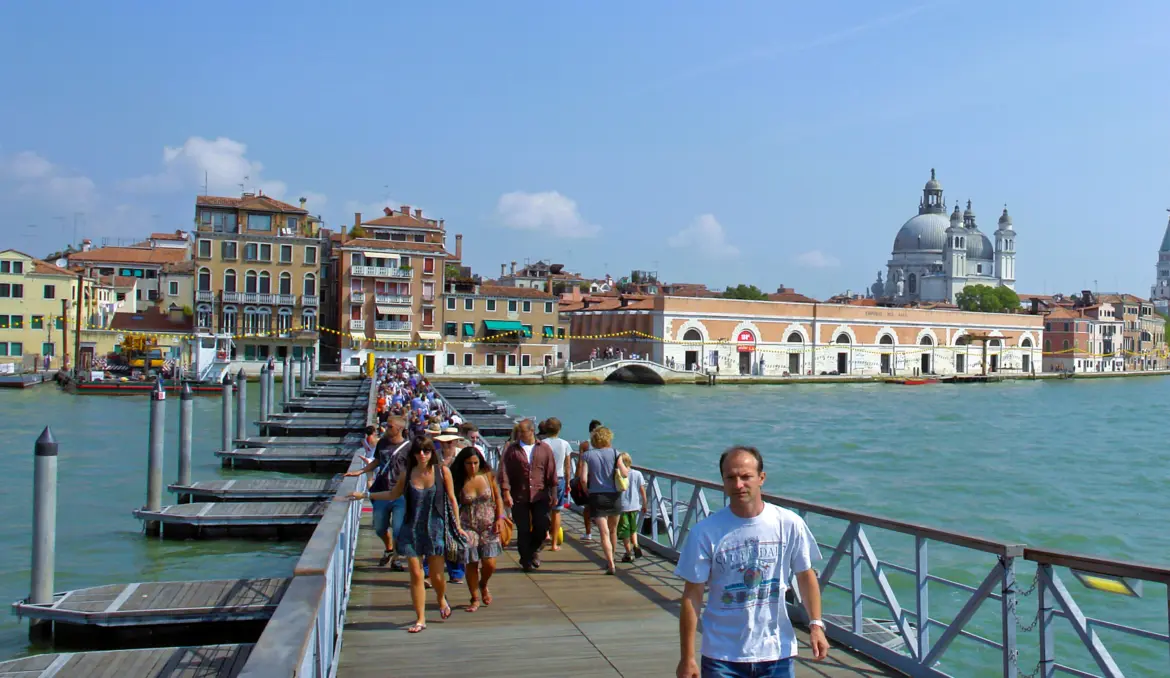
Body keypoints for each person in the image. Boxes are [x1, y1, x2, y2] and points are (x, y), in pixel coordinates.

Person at [674, 446, 828, 678]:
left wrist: (816, 625)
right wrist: (687, 658)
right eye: (731, 477)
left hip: (777, 652)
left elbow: (805, 576)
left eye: (746, 477)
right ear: (723, 481)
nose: (738, 485)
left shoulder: (788, 523)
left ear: (761, 478)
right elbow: (692, 595)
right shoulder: (704, 532)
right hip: (722, 656)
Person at [350, 437, 467, 634]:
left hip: (435, 527)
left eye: (426, 451)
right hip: (411, 528)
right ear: (413, 454)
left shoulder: (442, 471)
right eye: (419, 451)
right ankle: (420, 618)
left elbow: (453, 500)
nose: (422, 454)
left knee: (437, 576)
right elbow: (392, 495)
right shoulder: (407, 474)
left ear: (432, 453)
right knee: (415, 573)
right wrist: (365, 495)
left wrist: (458, 525)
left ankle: (440, 598)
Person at [345, 416, 411, 568]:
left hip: (400, 493)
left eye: (389, 427)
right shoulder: (382, 443)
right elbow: (377, 461)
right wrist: (360, 472)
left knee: (398, 528)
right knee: (380, 528)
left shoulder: (408, 447)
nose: (385, 429)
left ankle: (396, 558)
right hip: (382, 490)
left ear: (399, 429)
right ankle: (389, 548)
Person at [497, 419, 557, 572]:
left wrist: (554, 493)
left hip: (540, 494)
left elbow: (551, 472)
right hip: (519, 494)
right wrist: (506, 493)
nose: (519, 435)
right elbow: (504, 471)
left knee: (542, 526)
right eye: (518, 432)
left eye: (522, 432)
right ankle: (526, 559)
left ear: (531, 431)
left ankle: (533, 550)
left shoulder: (544, 448)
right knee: (523, 529)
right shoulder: (511, 449)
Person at [451, 446, 506, 611]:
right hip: (467, 524)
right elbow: (452, 502)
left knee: (490, 563)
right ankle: (474, 598)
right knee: (471, 562)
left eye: (475, 463)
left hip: (489, 524)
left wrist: (500, 518)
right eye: (468, 463)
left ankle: (483, 584)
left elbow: (498, 498)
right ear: (462, 464)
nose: (472, 467)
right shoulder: (457, 479)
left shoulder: (488, 475)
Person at [576, 426, 629, 575]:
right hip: (614, 496)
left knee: (603, 533)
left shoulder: (587, 455)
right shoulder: (615, 453)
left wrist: (587, 490)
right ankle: (613, 558)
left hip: (597, 496)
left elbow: (583, 478)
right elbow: (624, 473)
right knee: (613, 531)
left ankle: (610, 563)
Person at [434, 428, 468, 584]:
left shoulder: (462, 456)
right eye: (443, 442)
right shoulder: (434, 456)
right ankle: (431, 572)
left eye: (449, 442)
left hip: (459, 498)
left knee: (456, 535)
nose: (446, 445)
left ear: (455, 442)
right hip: (438, 499)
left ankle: (457, 572)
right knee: (437, 536)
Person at [541, 417, 574, 551]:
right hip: (559, 478)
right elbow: (568, 466)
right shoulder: (565, 444)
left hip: (544, 479)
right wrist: (567, 482)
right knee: (557, 511)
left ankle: (545, 535)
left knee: (543, 510)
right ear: (559, 429)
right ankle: (554, 544)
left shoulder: (541, 443)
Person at [575, 419, 604, 541]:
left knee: (587, 506)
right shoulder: (605, 444)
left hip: (588, 478)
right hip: (602, 478)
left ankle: (588, 533)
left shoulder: (585, 445)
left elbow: (581, 463)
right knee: (602, 506)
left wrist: (576, 478)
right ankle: (604, 532)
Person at [616, 451, 647, 563]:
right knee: (633, 528)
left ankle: (628, 553)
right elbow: (642, 490)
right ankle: (636, 545)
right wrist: (644, 503)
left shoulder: (618, 474)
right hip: (635, 505)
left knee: (625, 531)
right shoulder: (637, 474)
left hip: (623, 506)